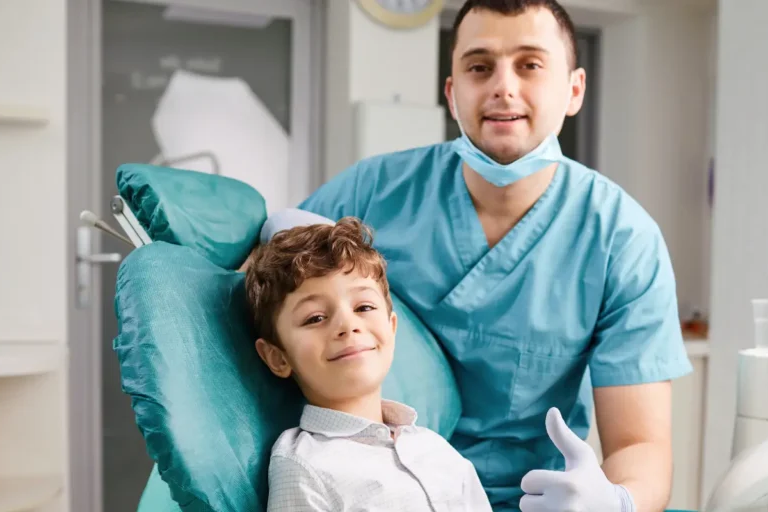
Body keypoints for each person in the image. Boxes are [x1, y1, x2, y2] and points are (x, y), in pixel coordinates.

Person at [257, 1, 693, 510]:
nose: (503, 87)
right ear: (452, 92)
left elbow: (640, 445)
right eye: (479, 66)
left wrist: (616, 502)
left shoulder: (621, 238)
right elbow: (269, 292)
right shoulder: (373, 191)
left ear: (574, 89)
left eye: (530, 64)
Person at [244, 217, 494, 512]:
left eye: (364, 307)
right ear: (278, 357)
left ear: (391, 328)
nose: (348, 326)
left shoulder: (435, 448)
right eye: (315, 318)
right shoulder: (304, 465)